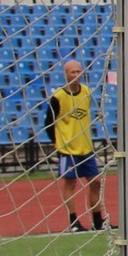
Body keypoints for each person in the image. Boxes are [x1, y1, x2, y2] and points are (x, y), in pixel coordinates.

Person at [46, 58, 106, 233]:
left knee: (95, 182)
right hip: (68, 150)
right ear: (65, 75)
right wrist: (59, 143)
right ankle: (74, 222)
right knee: (70, 184)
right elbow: (48, 123)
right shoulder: (58, 97)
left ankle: (97, 220)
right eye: (73, 72)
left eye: (79, 71)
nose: (77, 75)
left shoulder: (86, 92)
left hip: (85, 148)